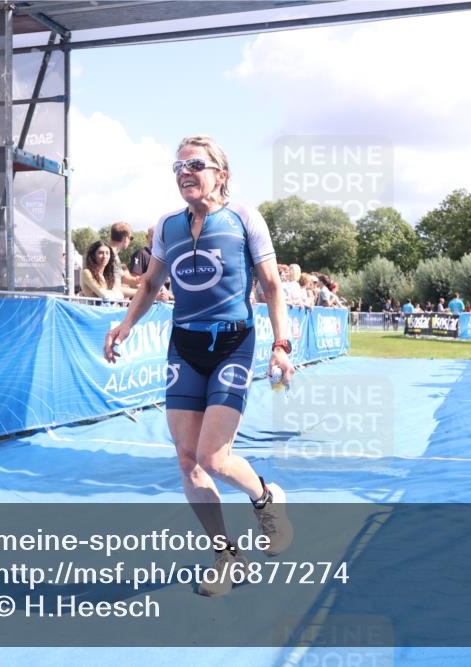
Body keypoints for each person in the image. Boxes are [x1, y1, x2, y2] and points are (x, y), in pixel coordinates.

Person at [103, 135, 294, 598]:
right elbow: (150, 285)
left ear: (220, 174)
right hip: (184, 347)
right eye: (177, 166)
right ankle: (227, 556)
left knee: (214, 457)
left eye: (195, 164)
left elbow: (271, 285)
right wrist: (125, 325)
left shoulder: (245, 218)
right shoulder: (166, 225)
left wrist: (282, 344)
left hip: (233, 344)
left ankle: (266, 499)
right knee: (187, 461)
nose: (184, 172)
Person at [107, 221, 140, 299]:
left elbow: (124, 278)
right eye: (130, 238)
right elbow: (117, 289)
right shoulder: (110, 256)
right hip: (107, 306)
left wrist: (145, 280)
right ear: (125, 238)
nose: (130, 242)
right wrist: (146, 293)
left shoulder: (113, 255)